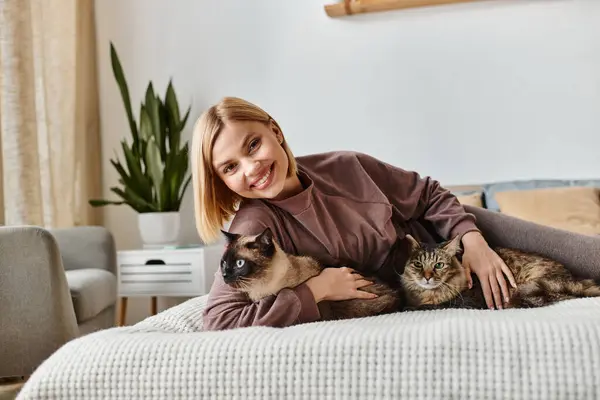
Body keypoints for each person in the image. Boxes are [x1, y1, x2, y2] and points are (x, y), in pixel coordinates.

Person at [191, 96, 600, 331]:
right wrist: (313, 292)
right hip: (419, 288)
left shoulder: (346, 166)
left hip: (455, 234)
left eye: (252, 146)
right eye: (230, 168)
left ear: (275, 132)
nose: (252, 168)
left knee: (588, 255)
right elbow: (219, 319)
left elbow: (429, 194)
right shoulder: (254, 229)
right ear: (222, 181)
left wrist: (472, 241)